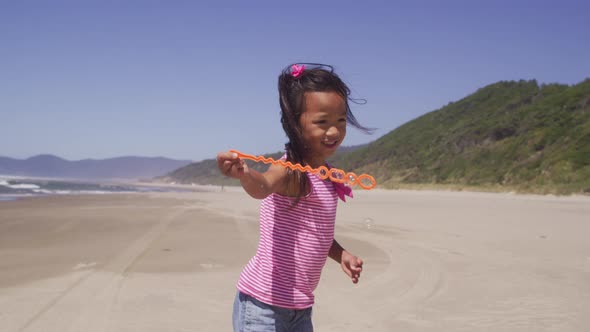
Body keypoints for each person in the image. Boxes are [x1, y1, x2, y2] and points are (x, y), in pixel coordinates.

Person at [217, 63, 373, 331]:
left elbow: (316, 232)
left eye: (340, 121)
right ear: (295, 123)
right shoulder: (290, 170)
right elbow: (263, 186)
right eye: (322, 122)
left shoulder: (326, 174)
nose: (334, 131)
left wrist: (340, 253)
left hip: (300, 307)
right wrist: (244, 174)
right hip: (263, 306)